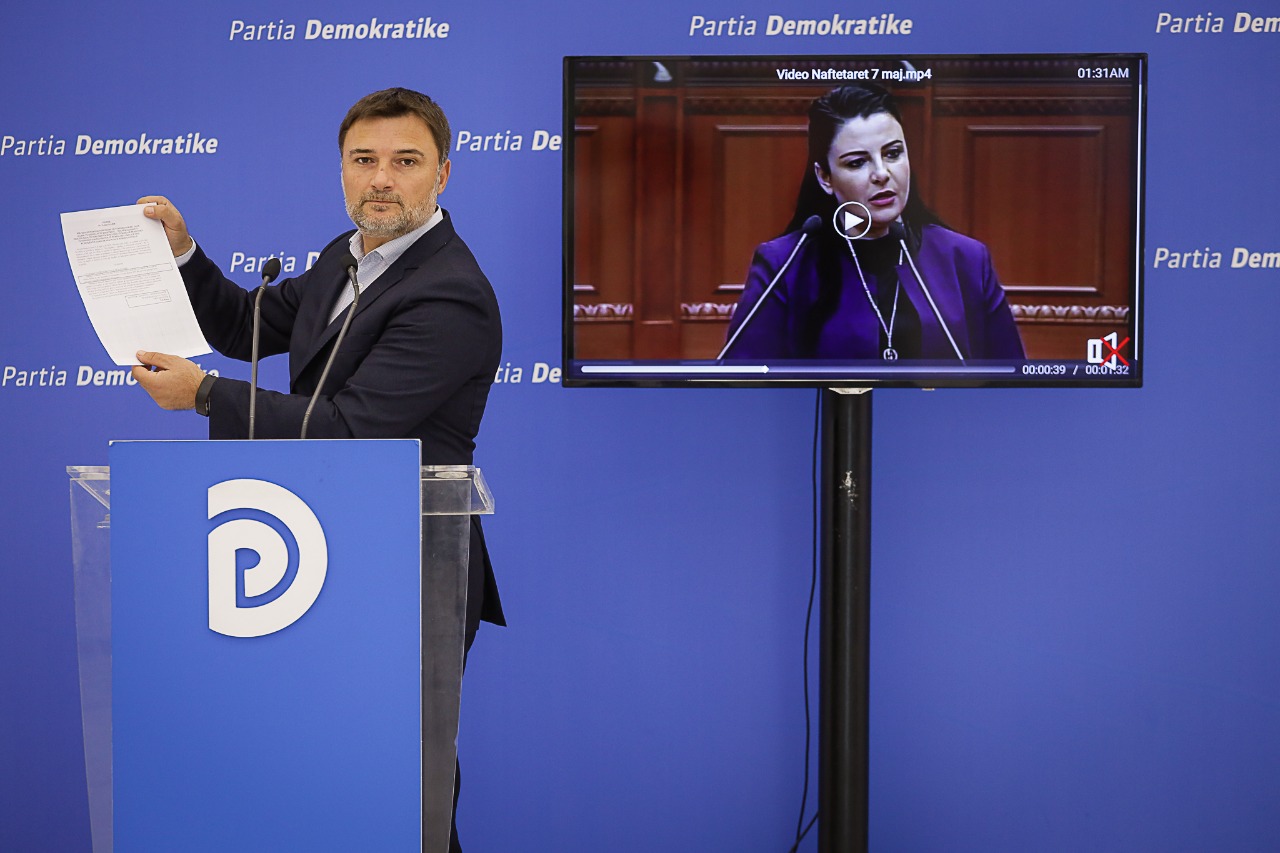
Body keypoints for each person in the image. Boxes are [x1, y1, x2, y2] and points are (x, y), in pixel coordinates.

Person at [132, 87, 502, 852]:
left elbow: (352, 429)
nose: (381, 179)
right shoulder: (345, 255)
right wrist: (184, 255)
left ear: (443, 174)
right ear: (341, 169)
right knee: (325, 780)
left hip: (409, 566)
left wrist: (204, 395)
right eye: (363, 159)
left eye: (406, 161)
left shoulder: (452, 293)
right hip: (319, 548)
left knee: (402, 789)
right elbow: (247, 325)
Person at [721, 83, 1025, 361]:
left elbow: (1012, 381)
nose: (881, 173)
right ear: (825, 177)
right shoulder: (784, 265)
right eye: (857, 162)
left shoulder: (966, 259)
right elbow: (744, 384)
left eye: (893, 154)